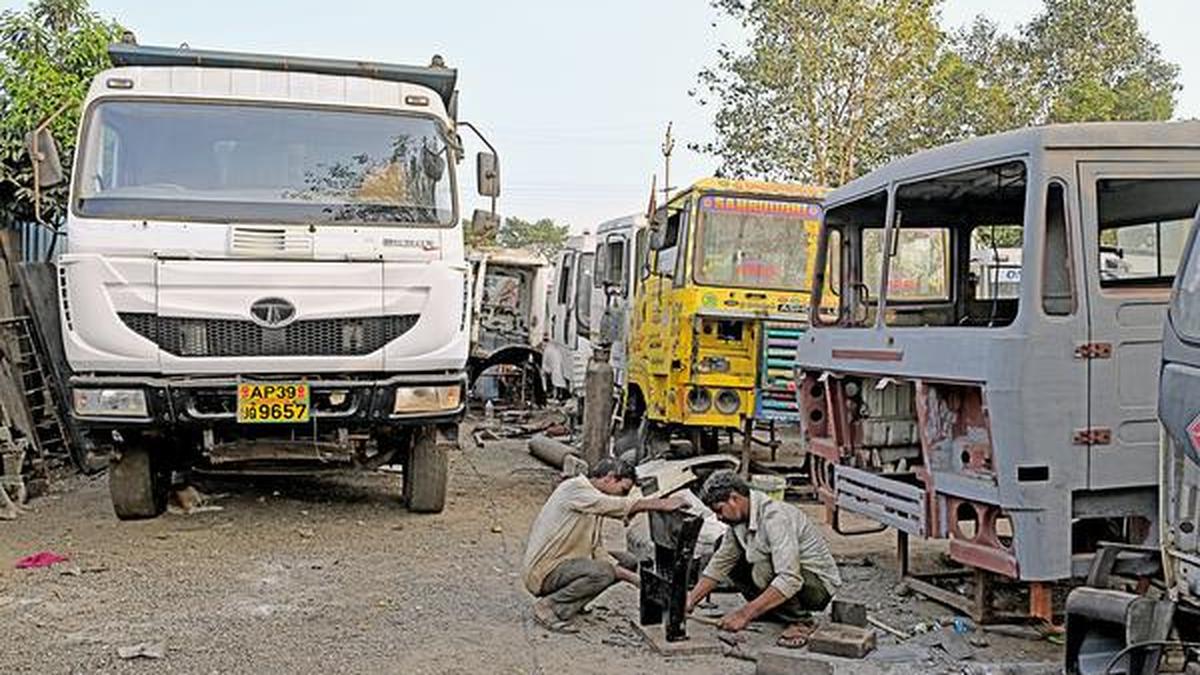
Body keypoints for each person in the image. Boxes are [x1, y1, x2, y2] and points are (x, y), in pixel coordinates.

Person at [522, 457, 685, 632]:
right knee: (605, 573)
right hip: (545, 571)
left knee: (627, 562)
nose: (622, 496)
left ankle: (572, 604)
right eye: (623, 490)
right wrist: (659, 504)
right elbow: (613, 505)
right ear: (609, 477)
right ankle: (549, 607)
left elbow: (596, 548)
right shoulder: (575, 489)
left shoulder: (592, 501)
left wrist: (624, 572)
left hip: (568, 564)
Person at [685, 470, 842, 648]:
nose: (719, 518)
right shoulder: (739, 522)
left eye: (719, 510)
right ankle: (772, 611)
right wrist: (691, 600)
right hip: (792, 578)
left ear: (734, 498)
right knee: (725, 549)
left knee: (763, 566)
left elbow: (790, 578)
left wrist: (744, 614)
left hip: (817, 587)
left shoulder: (775, 518)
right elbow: (720, 564)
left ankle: (802, 621)